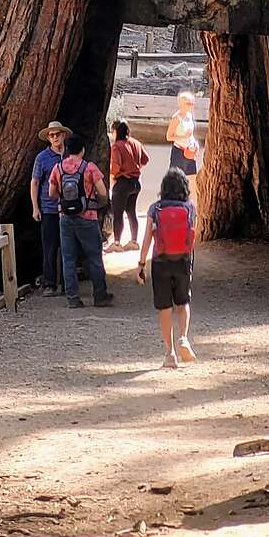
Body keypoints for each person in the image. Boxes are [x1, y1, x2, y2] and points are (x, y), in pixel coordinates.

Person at [138, 166, 197, 370]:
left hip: (160, 261)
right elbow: (192, 237)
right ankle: (183, 338)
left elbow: (147, 238)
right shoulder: (190, 207)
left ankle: (170, 353)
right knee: (183, 302)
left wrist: (141, 263)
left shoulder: (155, 208)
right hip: (183, 260)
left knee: (164, 308)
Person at [48, 133, 113, 309]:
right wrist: (96, 204)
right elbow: (103, 193)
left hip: (65, 219)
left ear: (67, 150)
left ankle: (73, 298)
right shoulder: (89, 168)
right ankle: (100, 295)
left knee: (68, 258)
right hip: (88, 217)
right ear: (82, 150)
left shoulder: (58, 168)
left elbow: (52, 194)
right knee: (94, 257)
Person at [30, 120, 71, 294]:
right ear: (48, 138)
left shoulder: (70, 155)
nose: (55, 137)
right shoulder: (42, 158)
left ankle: (67, 283)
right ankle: (49, 284)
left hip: (69, 208)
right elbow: (35, 182)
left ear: (63, 135)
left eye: (57, 134)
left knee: (68, 247)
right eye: (51, 135)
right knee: (50, 247)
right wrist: (35, 207)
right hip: (48, 208)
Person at [108, 118, 150, 253]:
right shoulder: (135, 143)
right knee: (131, 212)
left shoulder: (116, 146)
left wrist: (113, 177)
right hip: (136, 182)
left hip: (123, 182)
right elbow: (146, 159)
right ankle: (134, 241)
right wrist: (135, 168)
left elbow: (116, 165)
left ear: (115, 131)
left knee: (118, 213)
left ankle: (117, 243)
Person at [166, 91, 200, 203]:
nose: (191, 106)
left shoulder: (190, 116)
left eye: (192, 103)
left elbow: (191, 134)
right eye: (188, 103)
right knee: (177, 179)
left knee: (192, 180)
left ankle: (195, 208)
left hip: (190, 151)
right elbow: (169, 136)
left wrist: (195, 143)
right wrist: (182, 136)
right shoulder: (176, 118)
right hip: (179, 152)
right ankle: (174, 204)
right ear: (181, 104)